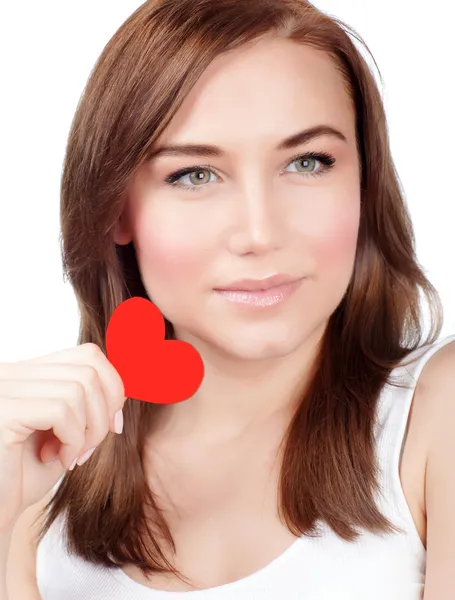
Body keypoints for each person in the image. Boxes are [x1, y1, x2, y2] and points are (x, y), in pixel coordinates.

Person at [1, 0, 454, 598]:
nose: (259, 234)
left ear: (365, 184)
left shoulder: (435, 418)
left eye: (308, 162)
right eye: (194, 174)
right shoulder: (40, 465)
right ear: (115, 207)